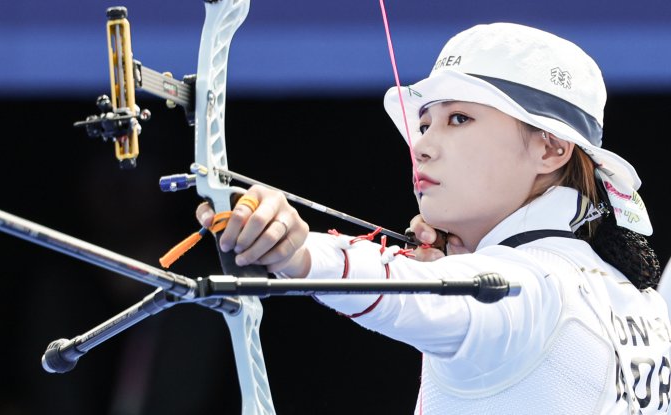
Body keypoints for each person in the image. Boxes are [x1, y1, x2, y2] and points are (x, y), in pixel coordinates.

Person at [196, 22, 668, 413]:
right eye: (423, 124)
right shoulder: (637, 302)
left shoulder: (530, 286)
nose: (420, 145)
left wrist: (298, 254)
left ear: (550, 148)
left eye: (459, 118)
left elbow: (417, 294)